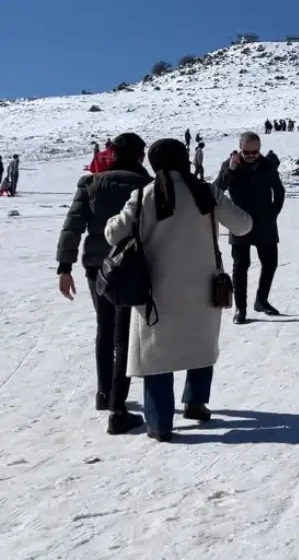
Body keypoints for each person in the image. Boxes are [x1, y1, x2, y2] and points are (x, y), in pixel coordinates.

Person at [104, 138, 252, 441]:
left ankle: (160, 425)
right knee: (199, 345)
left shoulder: (144, 194)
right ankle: (196, 404)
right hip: (203, 287)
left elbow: (112, 234)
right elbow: (243, 225)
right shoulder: (205, 191)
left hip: (156, 290)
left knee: (157, 355)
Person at [55, 133, 152, 434]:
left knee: (105, 329)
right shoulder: (147, 185)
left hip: (96, 266)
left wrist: (64, 266)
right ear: (140, 156)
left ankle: (102, 392)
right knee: (124, 334)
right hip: (133, 265)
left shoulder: (90, 184)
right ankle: (117, 408)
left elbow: (72, 225)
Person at [215, 132, 286, 324]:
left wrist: (273, 213)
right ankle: (241, 309)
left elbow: (279, 191)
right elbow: (216, 190)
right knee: (240, 267)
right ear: (240, 149)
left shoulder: (267, 165)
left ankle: (261, 301)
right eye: (247, 152)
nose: (251, 156)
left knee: (270, 263)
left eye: (255, 152)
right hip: (239, 223)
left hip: (265, 222)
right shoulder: (230, 166)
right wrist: (230, 170)